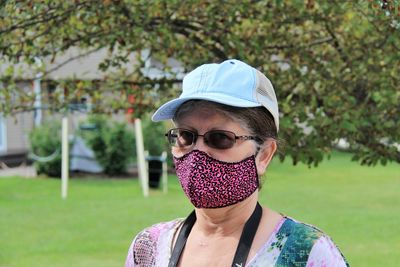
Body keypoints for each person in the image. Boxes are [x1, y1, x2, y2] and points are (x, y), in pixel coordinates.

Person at [125, 59, 349, 267]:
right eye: (186, 136)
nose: (198, 153)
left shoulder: (304, 253)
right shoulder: (148, 249)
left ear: (264, 155)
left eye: (220, 138)